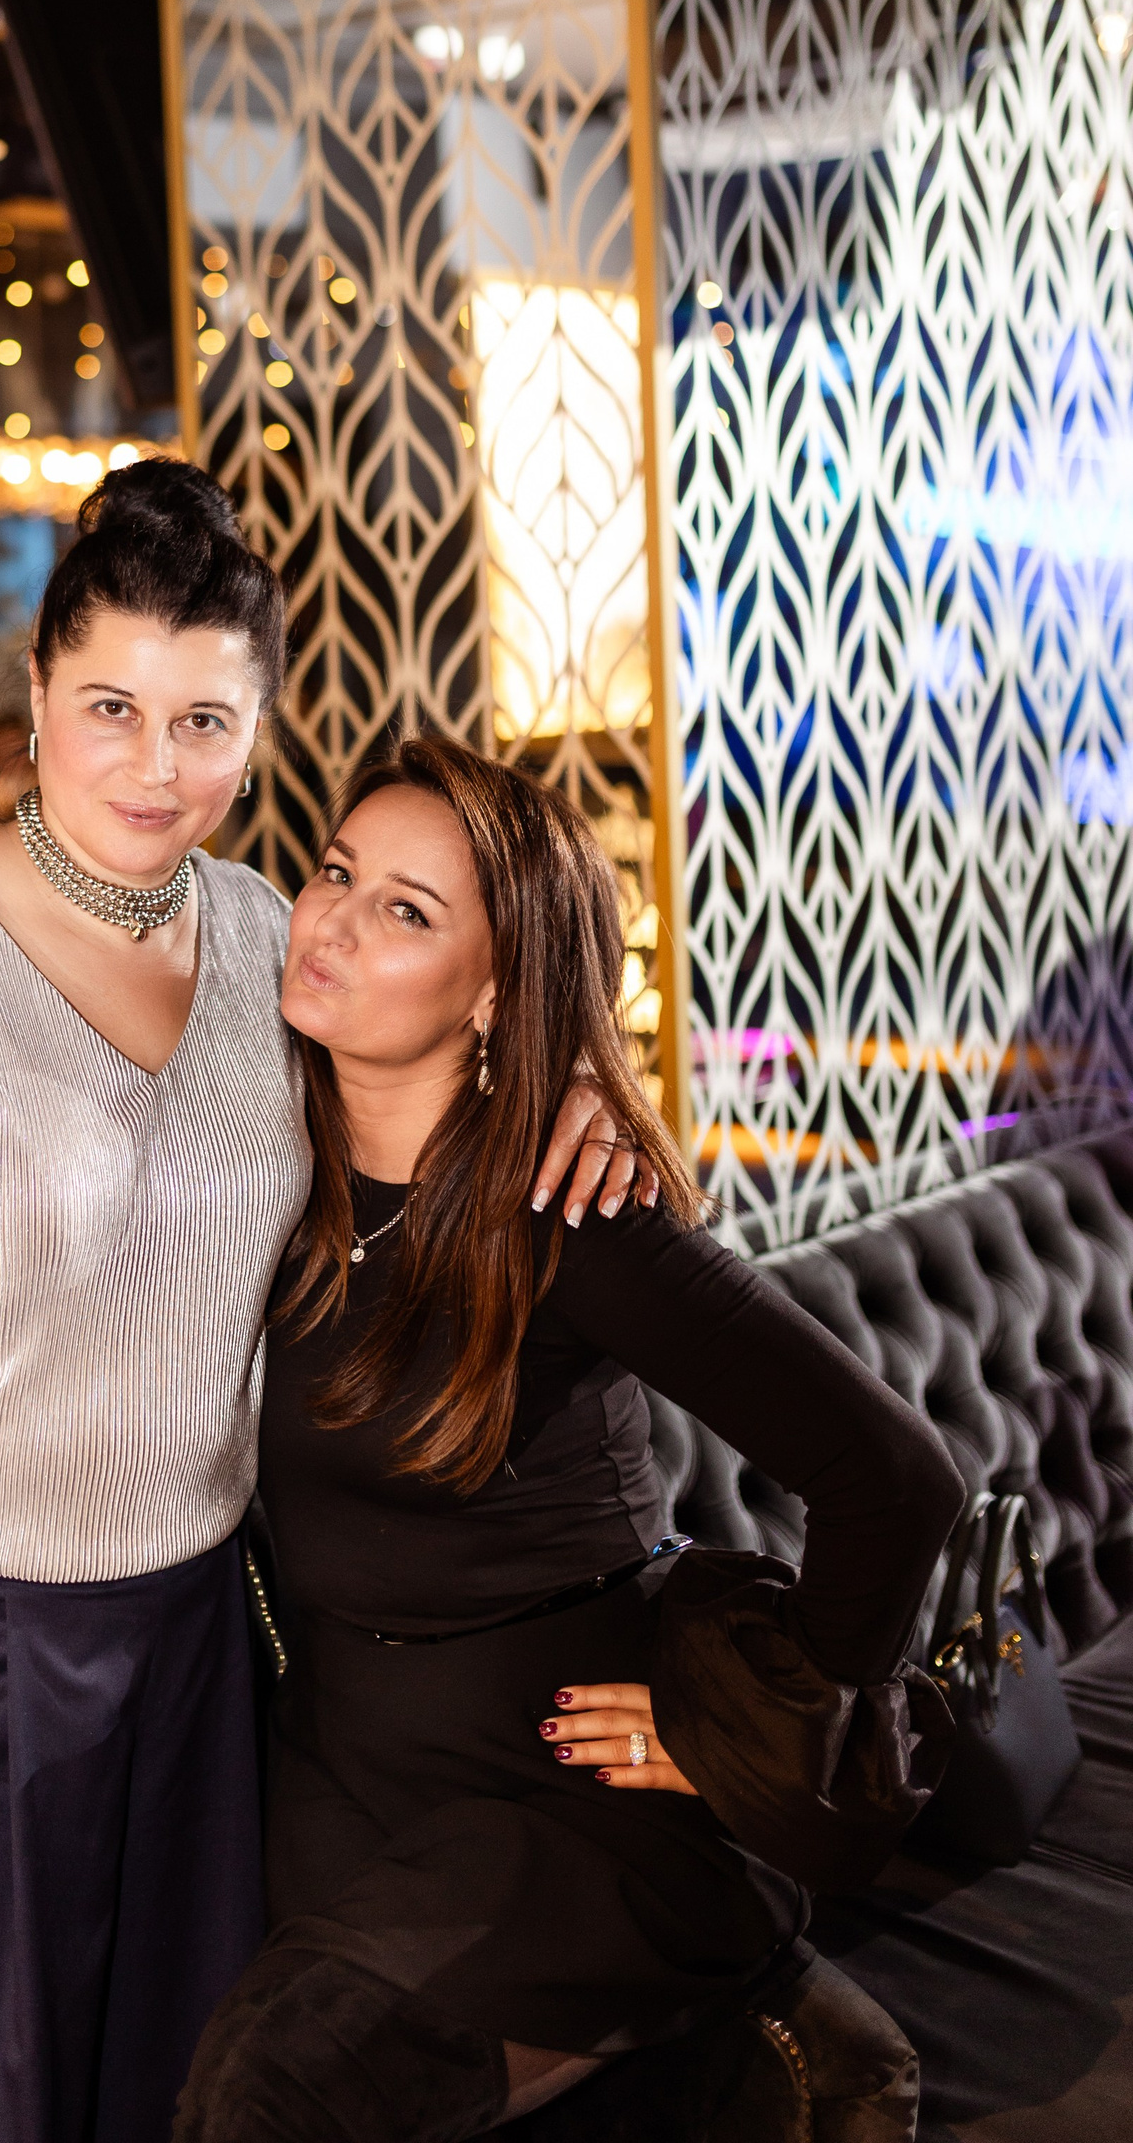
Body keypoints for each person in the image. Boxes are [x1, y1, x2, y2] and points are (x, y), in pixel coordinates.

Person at [0, 462, 642, 2143]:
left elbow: (430, 1088)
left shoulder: (278, 942)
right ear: (38, 695)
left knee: (172, 2091)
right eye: (112, 708)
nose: (155, 766)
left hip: (203, 1635)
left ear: (257, 730)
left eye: (204, 722)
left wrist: (562, 1079)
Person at [169, 737, 962, 2138]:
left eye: (407, 911)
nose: (332, 923)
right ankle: (724, 2038)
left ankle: (747, 2001)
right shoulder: (262, 1149)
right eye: (336, 872)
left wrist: (752, 1724)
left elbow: (895, 1480)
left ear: (495, 989)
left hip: (559, 1794)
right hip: (346, 1768)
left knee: (268, 2093)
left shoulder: (570, 1211)